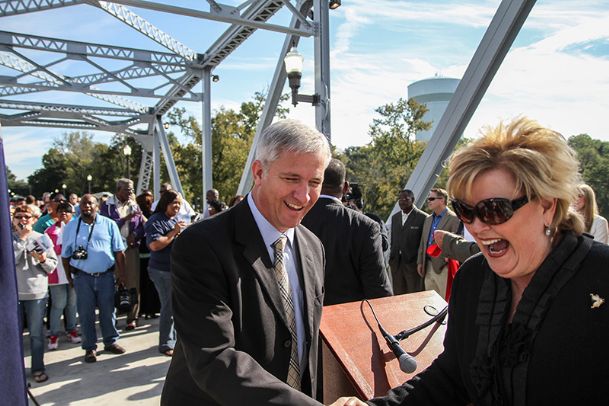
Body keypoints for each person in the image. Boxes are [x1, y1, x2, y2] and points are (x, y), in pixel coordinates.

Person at [331, 117, 609, 406]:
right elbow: (452, 376)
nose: (476, 226)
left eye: (494, 209)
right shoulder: (473, 278)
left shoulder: (602, 279)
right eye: (465, 210)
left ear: (548, 207)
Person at [161, 119, 331, 405]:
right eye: (291, 179)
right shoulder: (200, 245)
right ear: (259, 172)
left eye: (314, 182)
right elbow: (215, 358)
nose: (303, 195)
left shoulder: (313, 247)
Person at [302, 158, 392, 305]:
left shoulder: (294, 220)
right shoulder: (366, 227)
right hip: (348, 320)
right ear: (345, 187)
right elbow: (378, 289)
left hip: (304, 318)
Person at [61, 194, 127, 363]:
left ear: (97, 206)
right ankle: (90, 347)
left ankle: (110, 341)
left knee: (108, 311)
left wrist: (122, 275)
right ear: (79, 207)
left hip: (106, 276)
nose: (86, 206)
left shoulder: (109, 224)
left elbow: (119, 252)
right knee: (85, 313)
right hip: (82, 278)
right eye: (83, 204)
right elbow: (66, 256)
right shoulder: (71, 226)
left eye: (90, 203)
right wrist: (69, 278)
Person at [12, 205, 58, 383]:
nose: (23, 220)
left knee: (36, 334)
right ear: (13, 219)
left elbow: (51, 266)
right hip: (14, 295)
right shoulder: (9, 239)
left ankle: (38, 368)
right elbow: (10, 262)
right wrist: (22, 239)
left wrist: (43, 259)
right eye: (19, 216)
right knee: (12, 335)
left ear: (34, 219)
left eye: (27, 217)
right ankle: (14, 371)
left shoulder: (41, 238)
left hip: (36, 293)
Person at [145, 190, 186, 356]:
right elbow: (154, 245)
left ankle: (175, 340)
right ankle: (166, 344)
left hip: (174, 269)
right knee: (168, 307)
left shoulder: (173, 220)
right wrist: (174, 232)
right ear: (165, 203)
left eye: (178, 203)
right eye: (173, 203)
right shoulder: (156, 221)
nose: (176, 206)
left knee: (176, 307)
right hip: (161, 271)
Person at [100, 178, 145, 330]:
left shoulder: (134, 205)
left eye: (132, 189)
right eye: (127, 189)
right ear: (118, 190)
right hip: (112, 250)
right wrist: (125, 219)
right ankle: (111, 318)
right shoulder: (107, 206)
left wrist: (135, 234)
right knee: (113, 282)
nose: (131, 192)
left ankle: (132, 317)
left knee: (133, 283)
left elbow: (141, 225)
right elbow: (106, 226)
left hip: (130, 248)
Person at [45, 202, 81, 350]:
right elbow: (52, 251)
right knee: (58, 304)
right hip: (56, 273)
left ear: (72, 213)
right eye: (60, 211)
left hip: (73, 272)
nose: (63, 213)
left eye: (67, 211)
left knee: (72, 304)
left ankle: (72, 329)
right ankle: (53, 334)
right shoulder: (50, 231)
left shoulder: (78, 227)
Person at [416, 188, 460, 297]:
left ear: (442, 200)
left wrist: (448, 257)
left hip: (444, 267)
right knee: (429, 301)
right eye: (428, 199)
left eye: (431, 198)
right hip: (427, 266)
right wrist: (420, 262)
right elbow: (423, 242)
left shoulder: (454, 218)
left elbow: (458, 241)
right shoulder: (428, 219)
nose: (429, 201)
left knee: (445, 300)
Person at [388, 189, 428, 294]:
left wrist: (420, 262)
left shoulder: (423, 218)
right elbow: (393, 241)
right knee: (398, 296)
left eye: (406, 198)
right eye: (400, 199)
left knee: (413, 296)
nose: (402, 201)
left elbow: (424, 243)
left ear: (413, 200)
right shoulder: (395, 217)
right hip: (396, 264)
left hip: (413, 266)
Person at [135, 191, 161, 319]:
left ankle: (142, 309)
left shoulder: (139, 217)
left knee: (142, 283)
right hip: (149, 253)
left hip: (141, 253)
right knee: (151, 283)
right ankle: (151, 309)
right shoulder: (154, 216)